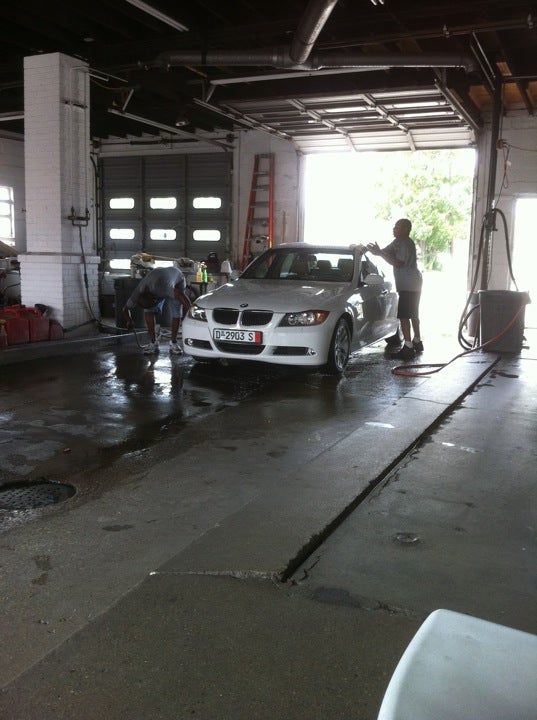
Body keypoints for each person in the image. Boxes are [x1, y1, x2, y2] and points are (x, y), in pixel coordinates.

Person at [367, 218, 423, 360]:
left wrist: (380, 253)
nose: (394, 229)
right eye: (394, 226)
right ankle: (417, 341)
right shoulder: (397, 242)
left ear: (406, 230)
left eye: (397, 227)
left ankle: (408, 348)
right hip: (412, 283)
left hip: (409, 284)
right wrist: (369, 249)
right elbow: (383, 252)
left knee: (404, 315)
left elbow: (398, 263)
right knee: (413, 313)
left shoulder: (405, 244)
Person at [123, 265, 192, 355]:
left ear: (153, 298)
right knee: (148, 312)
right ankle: (153, 342)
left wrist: (192, 311)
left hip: (177, 278)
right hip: (159, 278)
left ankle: (173, 342)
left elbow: (180, 296)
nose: (155, 305)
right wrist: (129, 320)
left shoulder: (162, 287)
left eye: (154, 303)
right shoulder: (137, 293)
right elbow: (125, 309)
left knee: (176, 312)